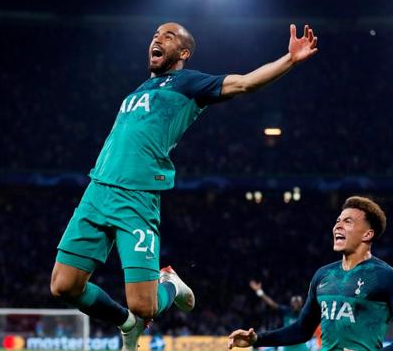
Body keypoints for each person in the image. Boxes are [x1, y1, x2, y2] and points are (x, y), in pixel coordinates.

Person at [49, 21, 319, 351]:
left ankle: (171, 286)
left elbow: (245, 84)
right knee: (63, 286)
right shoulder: (137, 91)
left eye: (168, 35)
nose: (157, 38)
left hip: (136, 198)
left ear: (183, 52)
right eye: (155, 34)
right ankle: (126, 324)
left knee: (145, 305)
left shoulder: (188, 83)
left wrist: (289, 60)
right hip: (96, 192)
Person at [228, 196, 393, 351]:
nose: (337, 226)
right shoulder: (323, 275)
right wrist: (257, 339)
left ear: (367, 234)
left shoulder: (388, 278)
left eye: (348, 221)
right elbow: (302, 329)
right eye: (338, 221)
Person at [249, 280, 309, 351]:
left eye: (298, 301)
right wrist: (259, 292)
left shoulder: (305, 313)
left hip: (301, 347)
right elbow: (272, 304)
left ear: (301, 303)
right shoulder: (287, 311)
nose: (296, 303)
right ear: (291, 303)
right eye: (294, 301)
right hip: (288, 347)